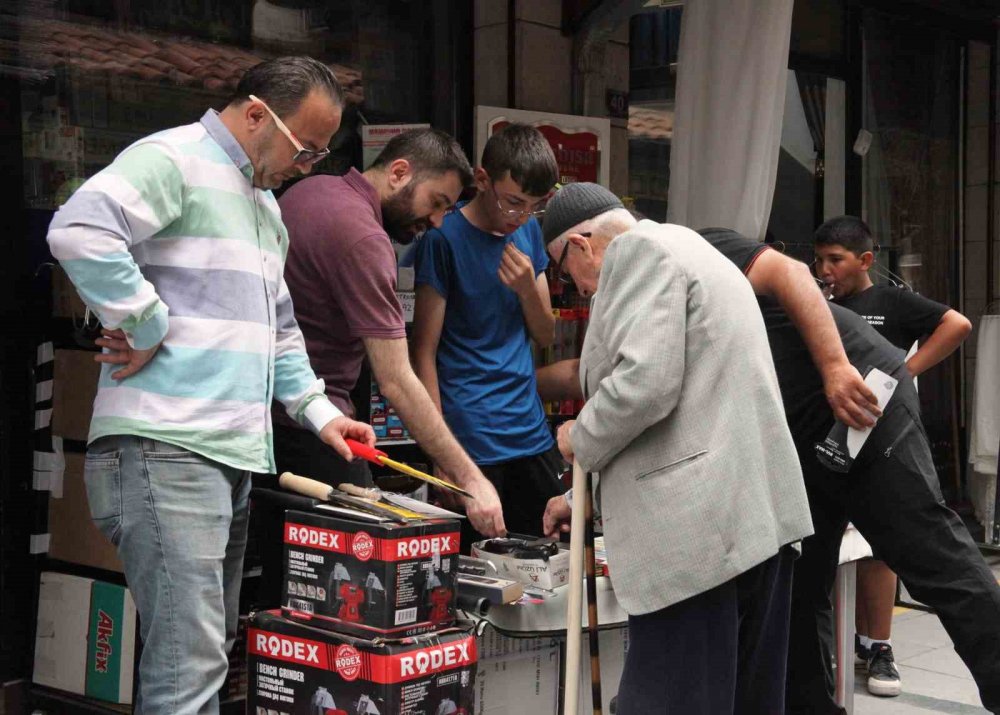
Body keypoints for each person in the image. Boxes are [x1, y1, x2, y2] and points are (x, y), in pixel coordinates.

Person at [46, 57, 375, 714]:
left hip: (222, 456)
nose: (307, 165)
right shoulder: (174, 158)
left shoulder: (263, 207)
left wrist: (319, 412)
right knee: (190, 660)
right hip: (165, 447)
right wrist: (144, 319)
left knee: (204, 652)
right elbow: (78, 229)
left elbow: (278, 330)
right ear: (257, 113)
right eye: (305, 148)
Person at [698, 228, 1000, 715]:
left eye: (834, 259)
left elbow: (791, 271)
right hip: (807, 442)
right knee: (794, 580)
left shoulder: (690, 245)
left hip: (863, 409)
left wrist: (853, 369)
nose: (825, 269)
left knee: (931, 558)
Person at [539, 183, 815, 714]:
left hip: (697, 539)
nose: (571, 286)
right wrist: (582, 499)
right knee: (743, 701)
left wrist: (580, 437)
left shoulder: (638, 253)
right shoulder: (690, 247)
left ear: (581, 244)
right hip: (747, 521)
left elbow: (645, 385)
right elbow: (694, 408)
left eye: (562, 269)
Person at [253, 129, 506, 605]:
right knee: (342, 592)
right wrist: (470, 478)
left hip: (264, 416)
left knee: (279, 586)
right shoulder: (366, 239)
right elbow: (396, 379)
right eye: (436, 202)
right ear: (398, 172)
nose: (434, 223)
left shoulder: (310, 191)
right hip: (313, 427)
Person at [813, 215, 973, 698]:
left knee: (877, 548)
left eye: (835, 260)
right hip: (821, 437)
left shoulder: (890, 301)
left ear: (864, 260)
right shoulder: (814, 304)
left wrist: (903, 372)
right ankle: (829, 649)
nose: (825, 270)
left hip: (879, 438)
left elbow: (957, 324)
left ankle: (879, 646)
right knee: (826, 546)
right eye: (819, 260)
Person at [410, 124, 564, 545]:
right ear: (482, 180)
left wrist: (525, 290)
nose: (519, 216)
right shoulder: (443, 238)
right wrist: (440, 452)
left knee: (546, 566)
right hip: (470, 438)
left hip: (529, 432)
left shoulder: (528, 231)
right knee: (473, 573)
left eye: (533, 207)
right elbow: (423, 353)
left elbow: (545, 333)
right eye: (513, 202)